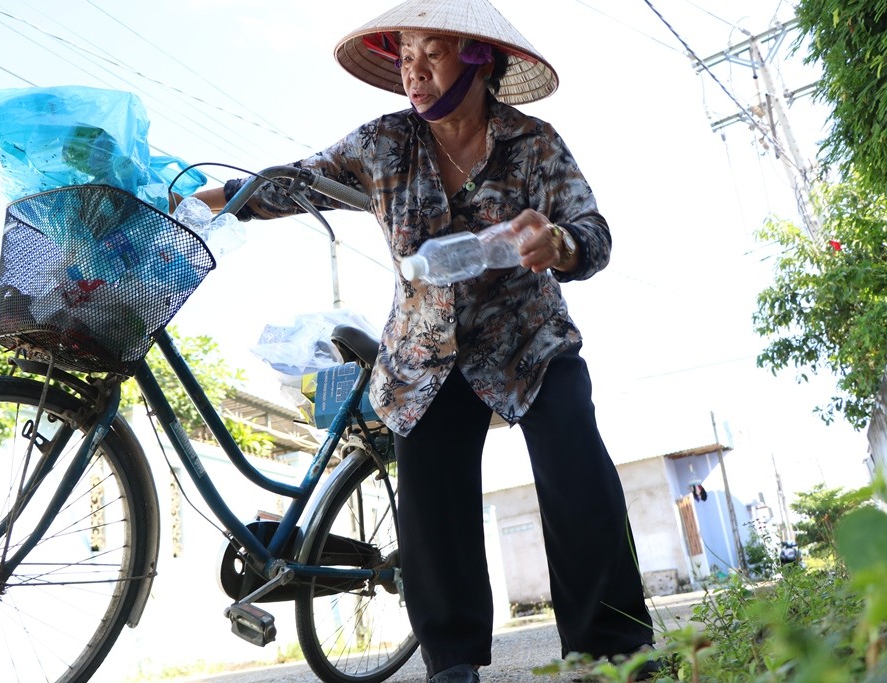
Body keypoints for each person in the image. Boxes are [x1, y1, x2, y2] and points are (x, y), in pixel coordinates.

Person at [183, 0, 658, 680]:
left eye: (430, 52)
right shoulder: (382, 143)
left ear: (477, 57)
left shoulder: (536, 143)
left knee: (576, 463)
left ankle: (616, 651)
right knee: (432, 497)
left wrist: (557, 242)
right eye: (405, 55)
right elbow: (287, 185)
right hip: (426, 352)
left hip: (530, 341)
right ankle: (452, 661)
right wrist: (201, 201)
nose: (414, 71)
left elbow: (594, 230)